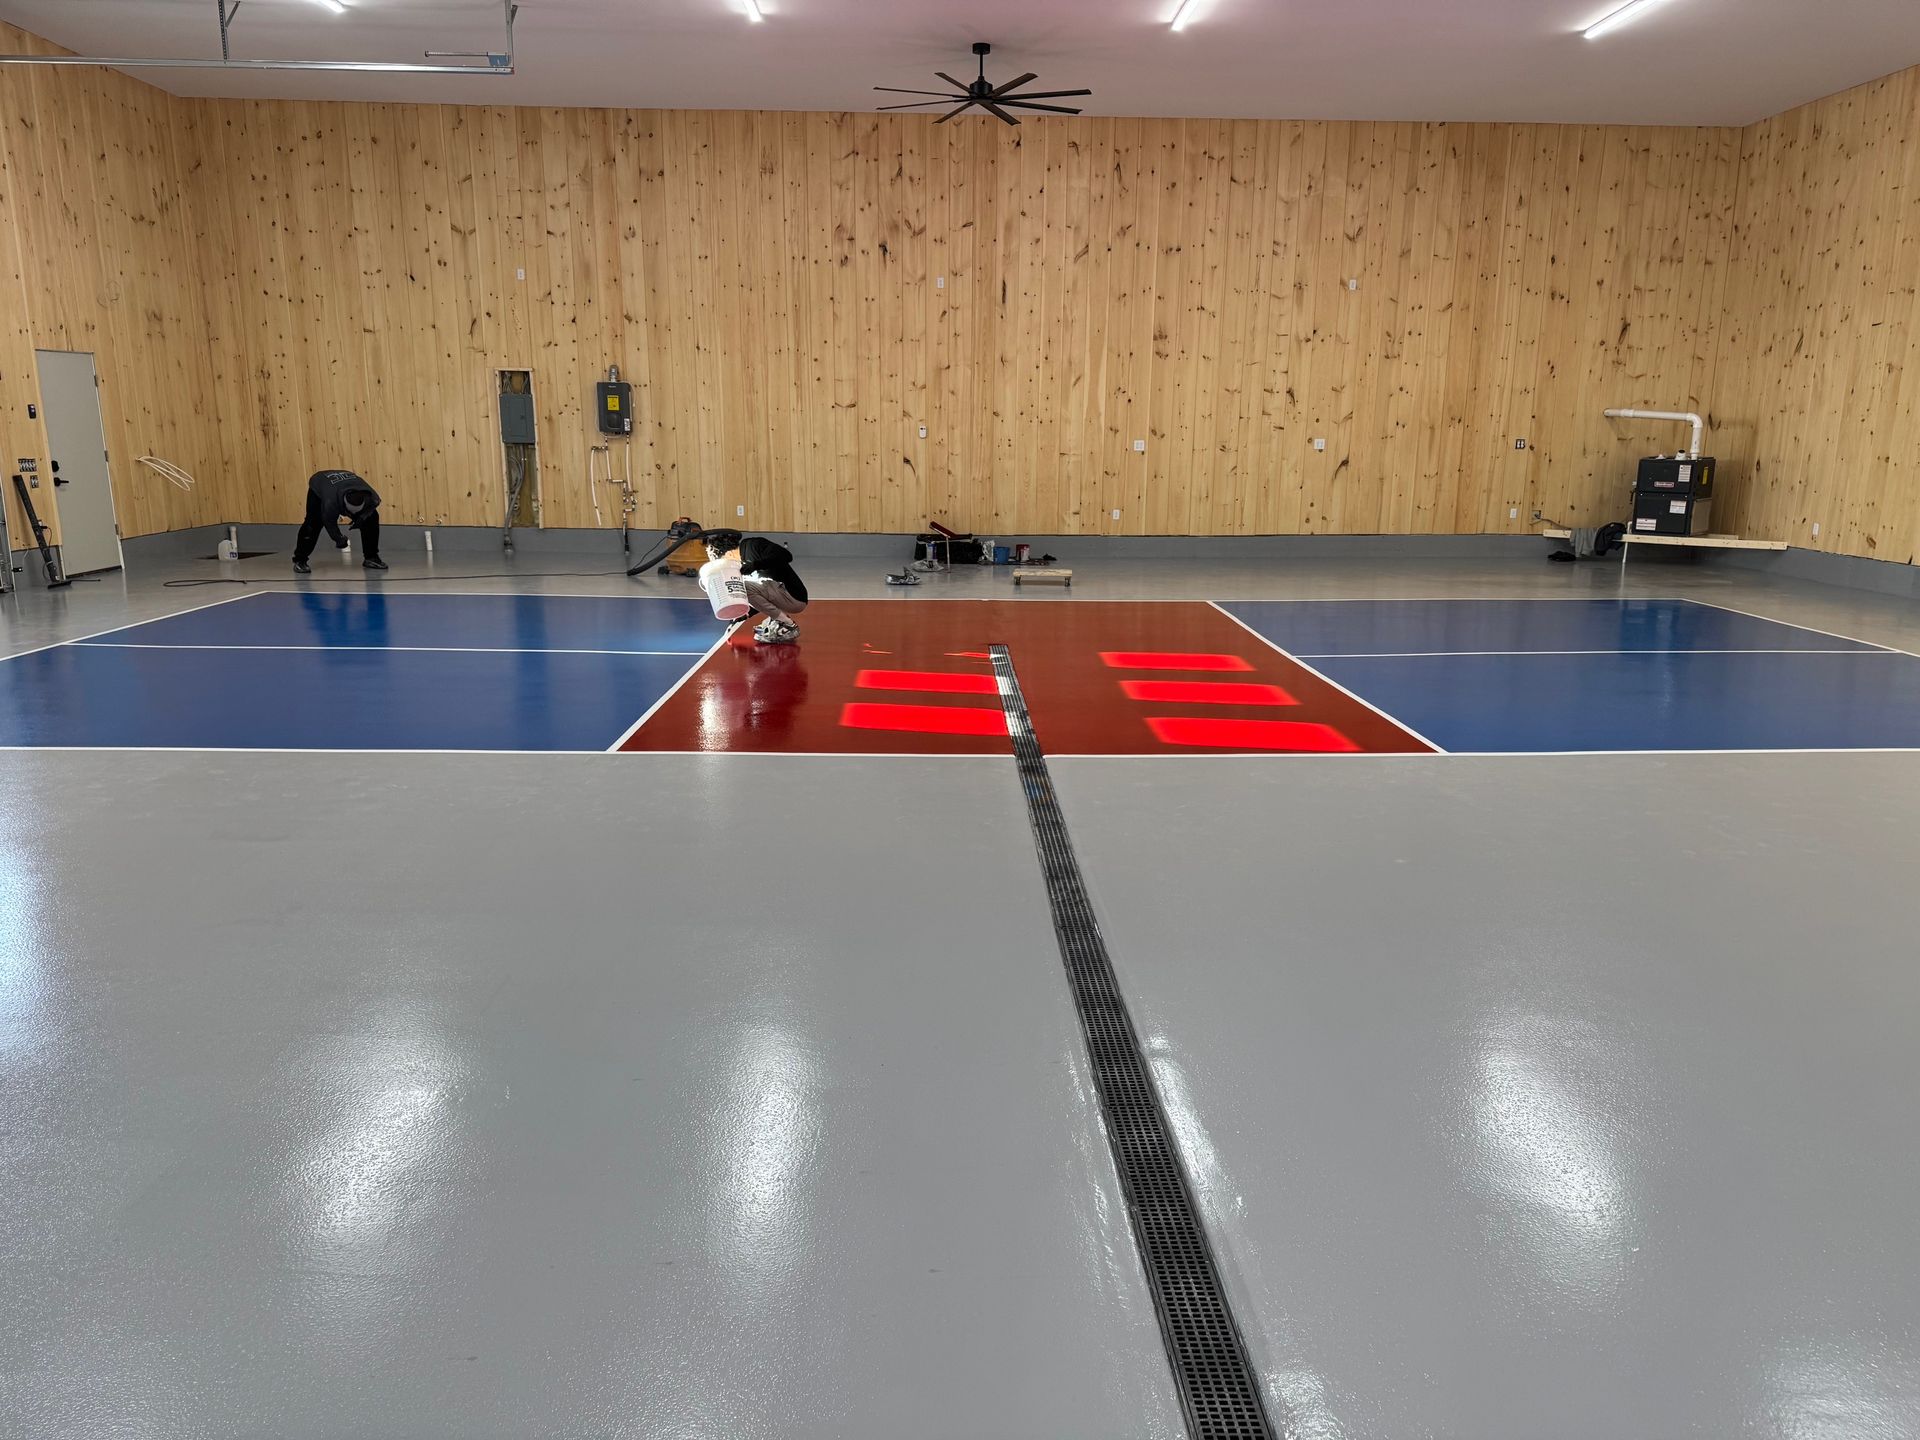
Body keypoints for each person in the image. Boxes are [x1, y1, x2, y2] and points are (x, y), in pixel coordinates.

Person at [702, 528, 807, 644]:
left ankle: (787, 624)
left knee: (744, 587)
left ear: (729, 553)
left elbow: (786, 555)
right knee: (744, 587)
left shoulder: (753, 545)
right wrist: (744, 614)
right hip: (780, 596)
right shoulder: (740, 567)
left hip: (793, 595)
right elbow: (759, 595)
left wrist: (755, 565)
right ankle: (779, 620)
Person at [293, 469, 386, 573]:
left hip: (343, 484)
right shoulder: (330, 502)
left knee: (371, 518)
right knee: (313, 523)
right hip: (319, 483)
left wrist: (362, 518)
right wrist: (339, 539)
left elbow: (370, 509)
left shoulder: (372, 497)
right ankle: (300, 560)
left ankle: (371, 557)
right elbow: (329, 522)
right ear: (343, 506)